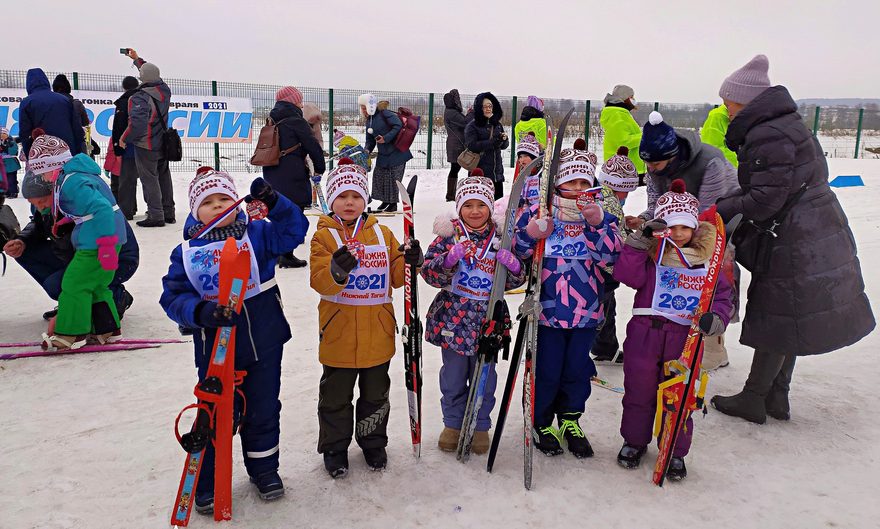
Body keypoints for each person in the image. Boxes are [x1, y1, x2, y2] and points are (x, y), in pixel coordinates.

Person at [710, 55, 875, 423]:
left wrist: (720, 208)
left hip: (796, 235)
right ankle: (776, 396)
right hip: (810, 226)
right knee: (790, 310)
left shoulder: (768, 133)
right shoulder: (785, 124)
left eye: (729, 101)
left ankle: (755, 398)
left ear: (746, 101)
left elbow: (766, 198)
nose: (726, 108)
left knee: (777, 311)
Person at [160, 169, 307, 513]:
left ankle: (264, 469)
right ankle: (207, 480)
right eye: (207, 203)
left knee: (264, 409)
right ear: (195, 211)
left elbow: (294, 231)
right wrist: (201, 312)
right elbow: (173, 297)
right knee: (215, 414)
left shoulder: (257, 234)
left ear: (237, 202)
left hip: (264, 340)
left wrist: (275, 201)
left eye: (224, 199)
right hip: (216, 349)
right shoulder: (187, 251)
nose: (217, 207)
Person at [613, 180, 734, 480]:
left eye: (684, 227)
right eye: (672, 227)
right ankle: (634, 440)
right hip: (645, 332)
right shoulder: (653, 254)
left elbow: (722, 297)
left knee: (680, 395)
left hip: (685, 338)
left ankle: (675, 449)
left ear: (694, 228)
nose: (678, 234)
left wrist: (716, 318)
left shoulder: (707, 261)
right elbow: (627, 276)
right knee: (639, 391)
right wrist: (639, 243)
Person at [309, 159, 422, 478]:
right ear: (331, 200)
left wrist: (413, 259)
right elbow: (318, 278)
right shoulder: (325, 237)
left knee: (376, 395)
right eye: (342, 196)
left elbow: (399, 277)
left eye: (356, 196)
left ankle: (373, 441)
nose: (349, 202)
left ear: (365, 200)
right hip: (338, 335)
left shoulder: (382, 233)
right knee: (335, 397)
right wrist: (336, 270)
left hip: (378, 333)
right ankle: (334, 447)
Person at [512, 148, 622, 458]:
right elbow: (517, 254)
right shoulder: (540, 211)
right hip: (547, 311)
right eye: (569, 184)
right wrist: (532, 233)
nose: (576, 191)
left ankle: (571, 419)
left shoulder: (601, 214)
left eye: (583, 184)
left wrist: (598, 225)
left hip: (586, 312)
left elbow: (613, 258)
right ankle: (541, 420)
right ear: (557, 184)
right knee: (546, 370)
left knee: (576, 369)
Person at [421, 175, 526, 453]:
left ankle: (480, 425)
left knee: (485, 377)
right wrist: (448, 259)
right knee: (453, 377)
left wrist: (514, 267)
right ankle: (453, 424)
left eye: (482, 205)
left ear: (491, 208)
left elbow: (517, 281)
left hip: (488, 320)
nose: (475, 211)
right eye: (468, 205)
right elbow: (428, 273)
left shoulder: (503, 236)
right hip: (454, 318)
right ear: (459, 207)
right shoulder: (448, 236)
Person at [25, 132, 128, 350]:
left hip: (97, 241)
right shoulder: (76, 176)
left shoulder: (72, 182)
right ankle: (107, 329)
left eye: (42, 172)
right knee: (97, 285)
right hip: (104, 236)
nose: (42, 178)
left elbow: (101, 209)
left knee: (74, 284)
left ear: (53, 165)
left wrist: (106, 245)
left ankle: (71, 335)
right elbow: (88, 208)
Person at [4, 169, 138, 321]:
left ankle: (115, 296)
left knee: (58, 285)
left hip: (115, 258)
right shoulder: (51, 203)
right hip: (75, 255)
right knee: (25, 251)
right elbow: (39, 223)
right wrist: (22, 240)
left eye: (41, 202)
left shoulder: (75, 202)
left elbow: (88, 249)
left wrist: (70, 288)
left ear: (53, 192)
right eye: (33, 203)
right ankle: (75, 301)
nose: (40, 207)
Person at [261, 86, 325, 268]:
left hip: (272, 171)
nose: (301, 103)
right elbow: (312, 146)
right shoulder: (296, 120)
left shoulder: (272, 119)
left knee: (278, 211)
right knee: (294, 212)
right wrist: (319, 168)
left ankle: (277, 251)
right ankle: (286, 254)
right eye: (299, 100)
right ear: (293, 101)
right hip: (292, 174)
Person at [590, 145, 640, 364]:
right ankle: (603, 349)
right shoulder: (610, 203)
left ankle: (604, 347)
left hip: (593, 269)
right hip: (604, 271)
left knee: (603, 310)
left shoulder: (600, 195)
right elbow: (612, 239)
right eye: (626, 192)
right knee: (605, 311)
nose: (626, 197)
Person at [119, 49, 176, 228]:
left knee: (149, 178)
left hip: (147, 143)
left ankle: (155, 215)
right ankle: (168, 212)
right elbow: (151, 73)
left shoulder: (140, 97)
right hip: (163, 142)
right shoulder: (164, 90)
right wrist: (137, 60)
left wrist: (124, 138)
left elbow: (137, 123)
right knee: (164, 177)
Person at [360, 93, 413, 212]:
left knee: (394, 178)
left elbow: (398, 125)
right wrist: (367, 149)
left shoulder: (385, 114)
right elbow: (370, 139)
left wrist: (386, 138)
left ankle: (393, 203)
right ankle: (385, 200)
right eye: (362, 108)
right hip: (384, 153)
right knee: (380, 175)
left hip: (397, 151)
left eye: (365, 108)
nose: (363, 111)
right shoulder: (369, 121)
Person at [18, 68, 84, 157]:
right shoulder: (64, 100)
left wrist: (29, 153)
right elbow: (76, 127)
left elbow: (25, 132)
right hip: (67, 149)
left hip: (43, 151)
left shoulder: (27, 102)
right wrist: (77, 151)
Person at [464, 93, 509, 199]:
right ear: (479, 108)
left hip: (496, 173)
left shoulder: (497, 125)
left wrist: (504, 140)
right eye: (485, 107)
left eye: (490, 106)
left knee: (497, 206)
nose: (488, 109)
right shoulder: (472, 126)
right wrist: (493, 142)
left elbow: (503, 146)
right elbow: (472, 145)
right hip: (480, 172)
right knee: (482, 203)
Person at [112, 76, 141, 219]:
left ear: (124, 87)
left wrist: (117, 149)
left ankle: (126, 210)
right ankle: (157, 210)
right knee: (150, 180)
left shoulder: (123, 102)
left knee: (127, 180)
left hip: (128, 146)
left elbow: (117, 127)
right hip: (147, 145)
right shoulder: (145, 99)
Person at [599, 85, 645, 175]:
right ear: (625, 98)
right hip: (622, 170)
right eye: (631, 97)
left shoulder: (620, 113)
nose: (633, 100)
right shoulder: (617, 115)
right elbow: (623, 143)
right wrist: (645, 136)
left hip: (626, 168)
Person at [51, 74, 91, 155]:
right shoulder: (77, 104)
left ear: (56, 89)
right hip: (76, 144)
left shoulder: (51, 105)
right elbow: (85, 122)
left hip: (57, 145)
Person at [443, 89, 468, 202]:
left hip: (454, 143)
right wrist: (472, 113)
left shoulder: (449, 111)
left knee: (455, 168)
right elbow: (465, 122)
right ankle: (451, 195)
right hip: (458, 144)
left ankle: (451, 195)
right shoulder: (452, 113)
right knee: (461, 167)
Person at [516, 132, 542, 208]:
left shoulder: (542, 172)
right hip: (526, 208)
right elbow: (518, 190)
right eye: (520, 157)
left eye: (526, 156)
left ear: (534, 157)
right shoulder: (522, 172)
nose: (522, 160)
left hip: (540, 210)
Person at [0, 128, 21, 197]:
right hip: (2, 165)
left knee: (11, 179)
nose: (2, 135)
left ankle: (13, 191)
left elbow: (14, 151)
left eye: (4, 134)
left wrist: (7, 147)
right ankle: (5, 192)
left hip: (11, 164)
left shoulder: (11, 141)